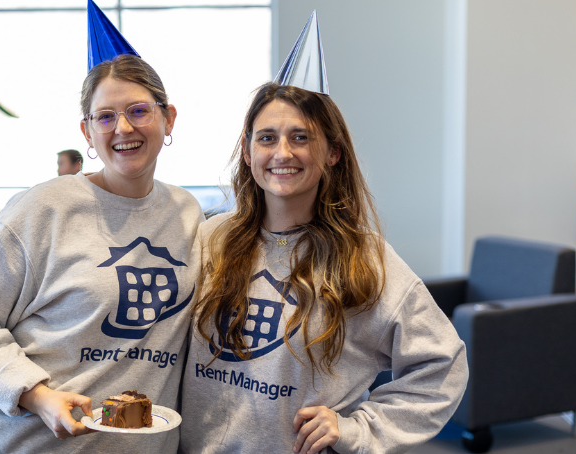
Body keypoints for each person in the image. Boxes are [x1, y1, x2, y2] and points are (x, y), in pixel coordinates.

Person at [179, 11, 467, 454]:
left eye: (301, 137)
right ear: (247, 149)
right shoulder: (209, 240)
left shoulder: (364, 258)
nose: (283, 153)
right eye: (267, 138)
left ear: (332, 151)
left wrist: (357, 429)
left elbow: (442, 366)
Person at [0, 3, 203, 452]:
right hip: (14, 442)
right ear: (86, 131)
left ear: (168, 117)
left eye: (138, 110)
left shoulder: (187, 212)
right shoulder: (45, 207)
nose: (123, 128)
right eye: (105, 116)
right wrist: (37, 396)